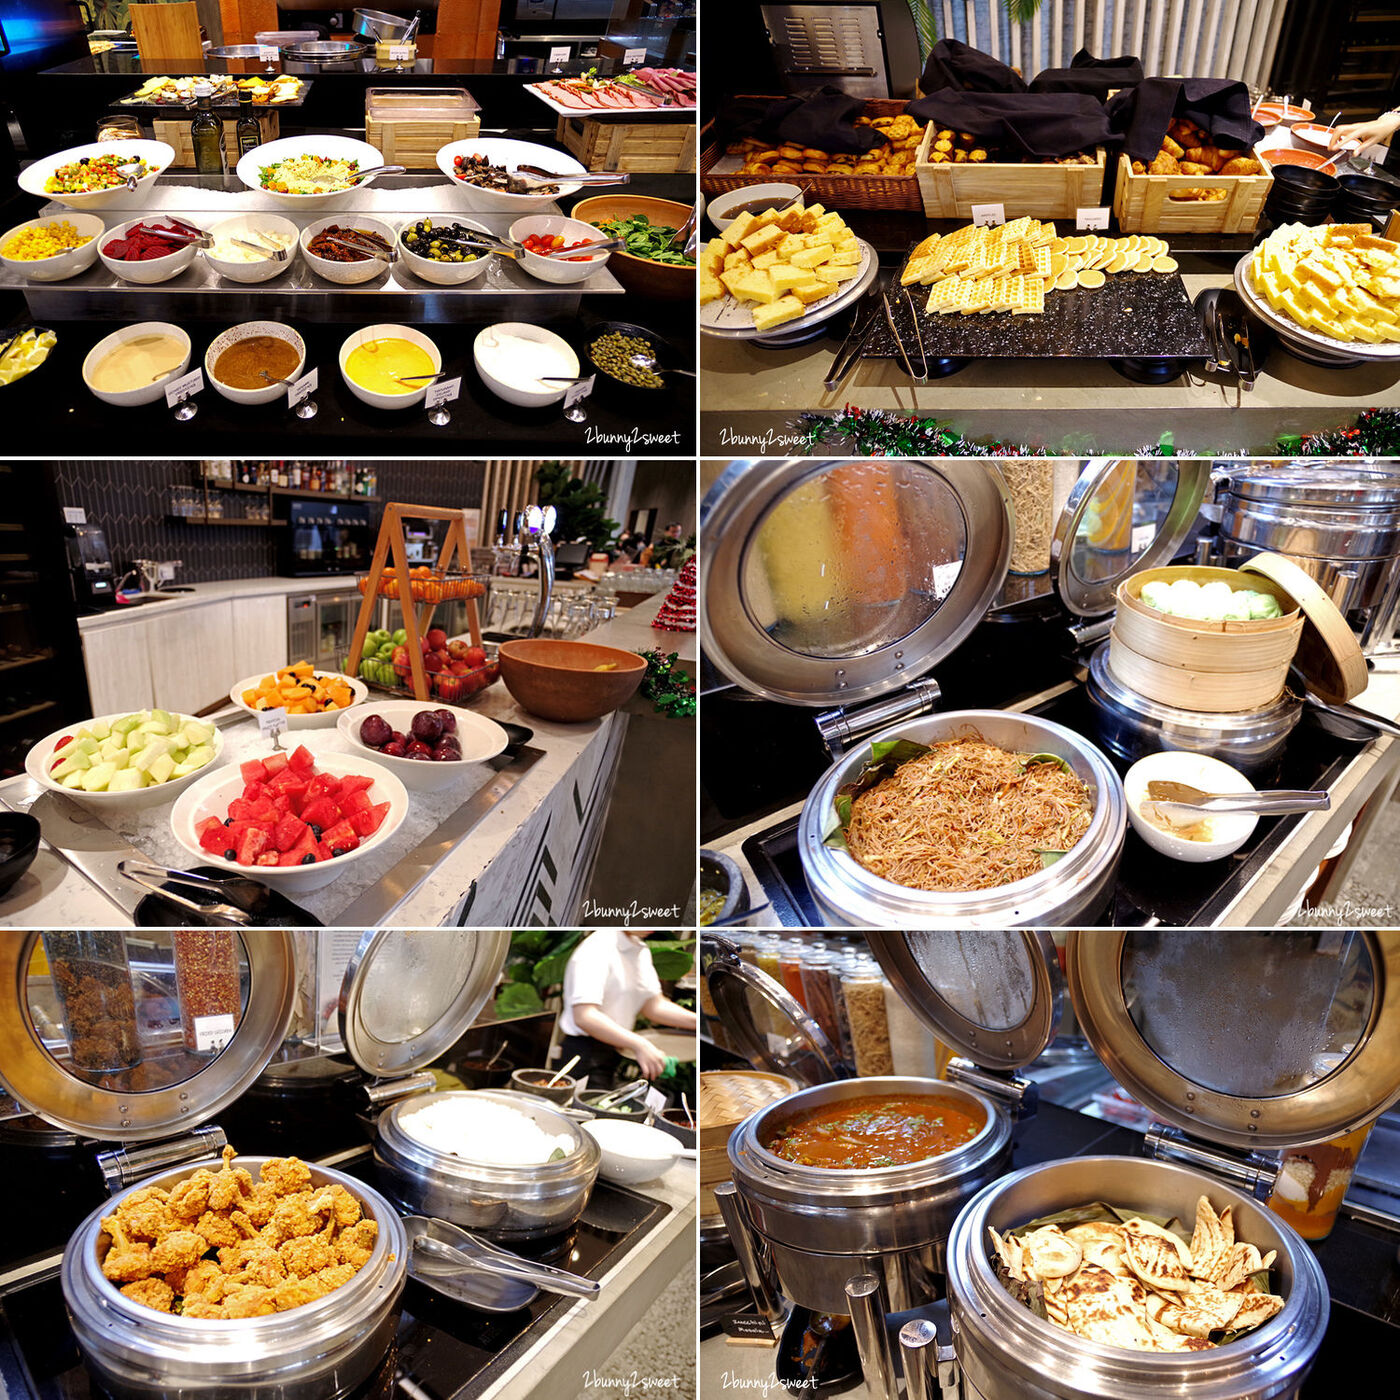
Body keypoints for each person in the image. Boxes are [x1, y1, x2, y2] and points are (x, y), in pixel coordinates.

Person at [557, 930, 697, 1086]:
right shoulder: (597, 947)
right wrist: (640, 1044)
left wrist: (701, 1023)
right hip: (584, 1053)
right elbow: (585, 1016)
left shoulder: (639, 949)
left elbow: (653, 1005)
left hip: (614, 1051)